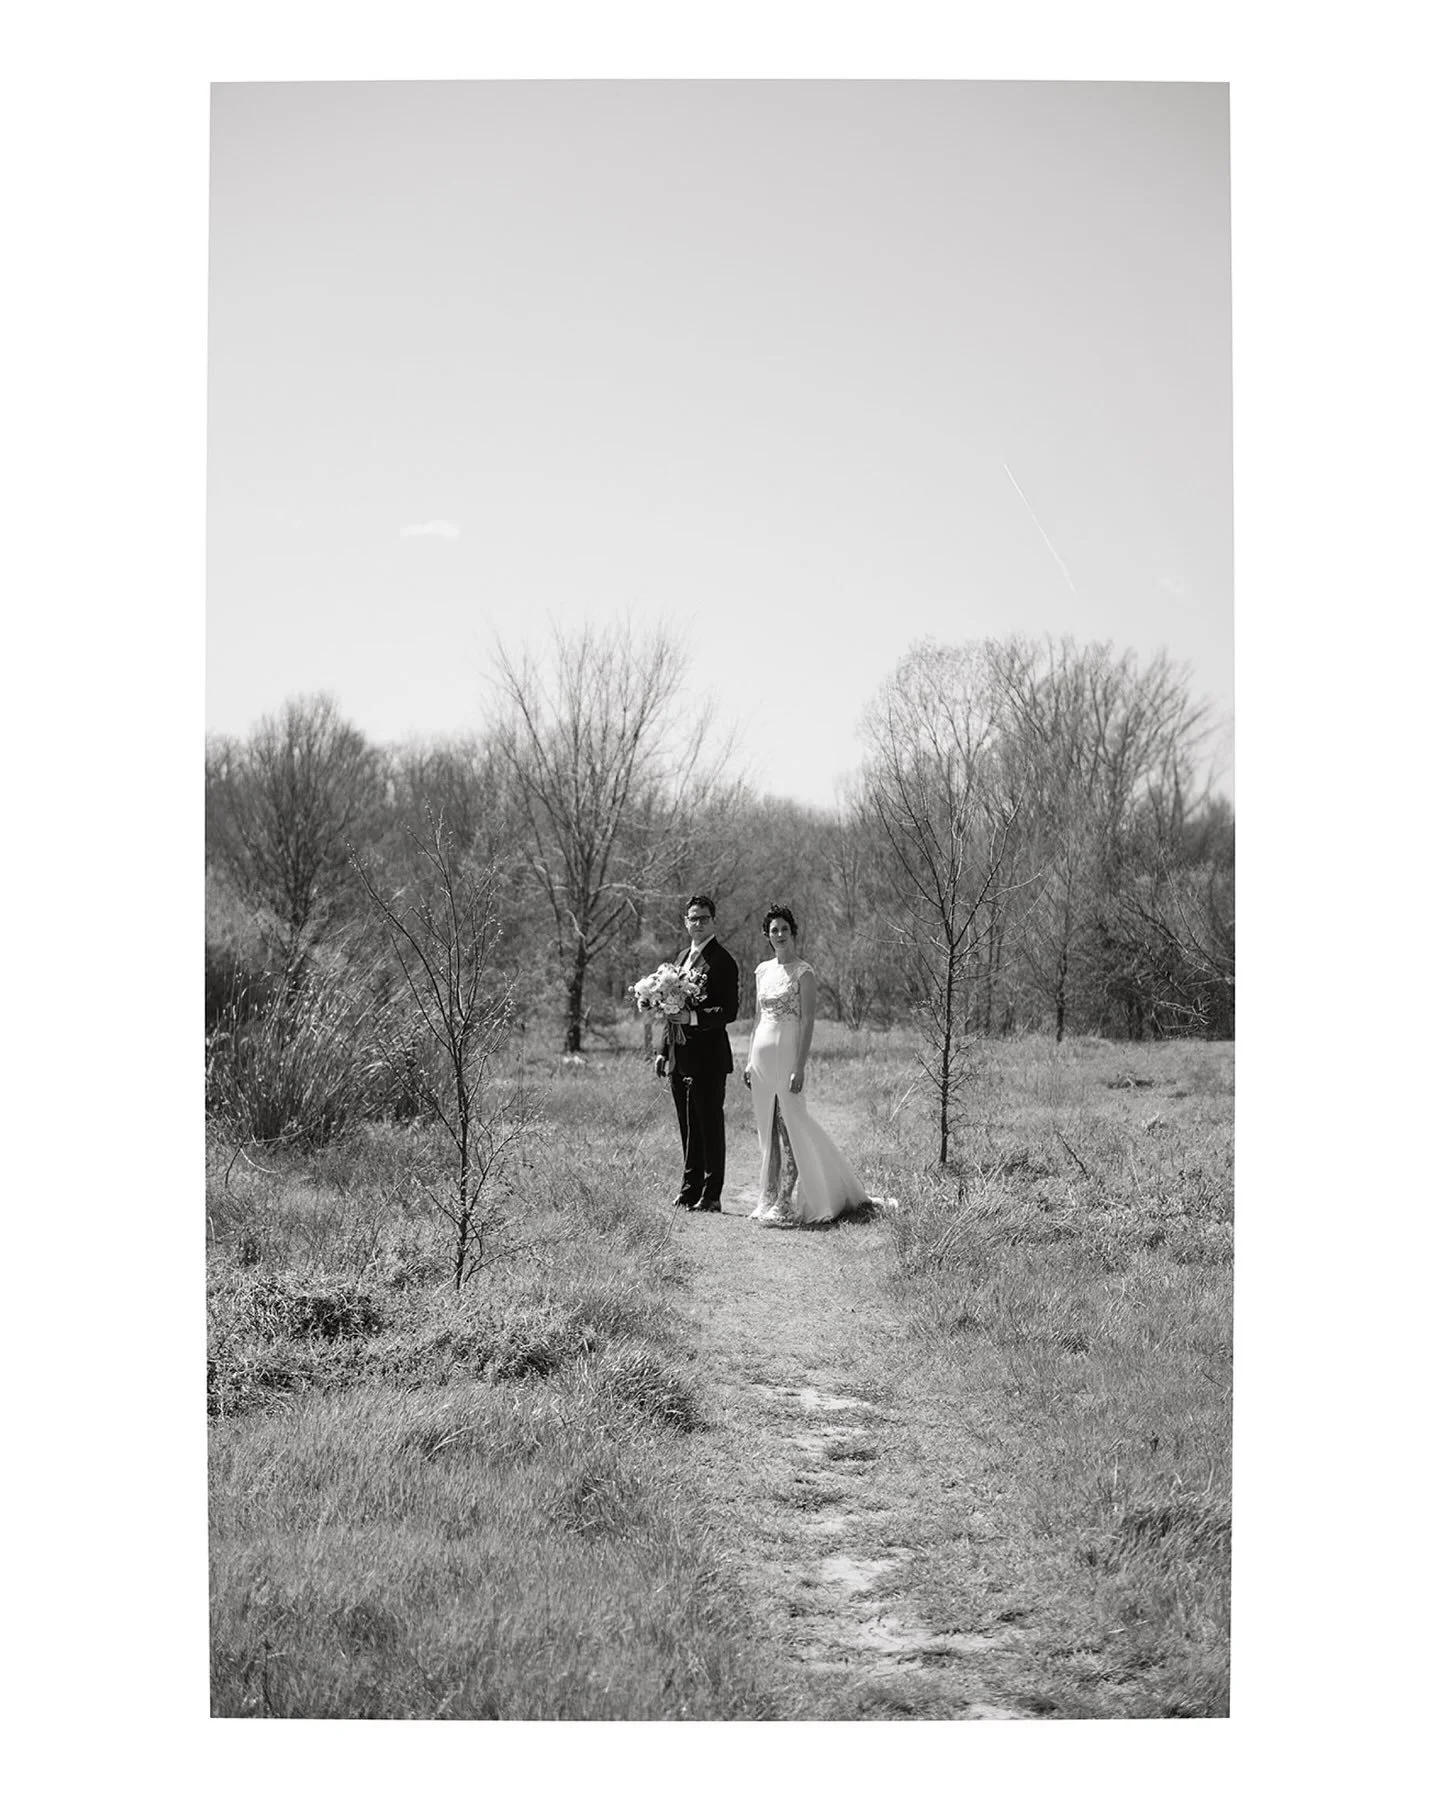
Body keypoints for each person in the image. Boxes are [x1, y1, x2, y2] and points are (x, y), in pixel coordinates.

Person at [742, 904, 869, 1225]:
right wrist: (748, 1060)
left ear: (793, 932)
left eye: (784, 929)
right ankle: (768, 1196)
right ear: (767, 936)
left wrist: (800, 1066)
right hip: (761, 1059)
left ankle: (786, 1201)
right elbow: (757, 1017)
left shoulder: (804, 972)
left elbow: (808, 1021)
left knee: (791, 1125)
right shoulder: (761, 971)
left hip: (788, 1056)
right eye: (774, 930)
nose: (780, 935)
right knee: (767, 1127)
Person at [655, 894, 741, 1212]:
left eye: (704, 918)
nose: (698, 923)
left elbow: (729, 1011)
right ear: (686, 921)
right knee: (687, 1125)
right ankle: (689, 1190)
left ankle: (711, 1194)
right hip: (680, 1056)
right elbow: (669, 1008)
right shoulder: (680, 959)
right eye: (693, 918)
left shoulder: (722, 961)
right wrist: (663, 1050)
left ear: (713, 921)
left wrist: (693, 1017)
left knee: (709, 1125)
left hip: (709, 1057)